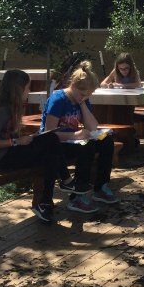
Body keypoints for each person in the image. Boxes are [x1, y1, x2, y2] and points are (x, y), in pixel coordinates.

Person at [0, 69, 64, 224]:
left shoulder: (12, 108)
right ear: (18, 89)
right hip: (4, 159)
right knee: (51, 141)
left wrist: (29, 138)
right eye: (28, 87)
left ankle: (46, 202)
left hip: (12, 153)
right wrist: (16, 142)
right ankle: (61, 184)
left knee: (49, 148)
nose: (29, 91)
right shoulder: (3, 111)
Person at [41, 60, 119, 214]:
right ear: (73, 86)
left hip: (74, 140)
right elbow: (48, 134)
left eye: (88, 95)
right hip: (57, 145)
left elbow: (93, 127)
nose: (84, 97)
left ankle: (101, 187)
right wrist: (74, 135)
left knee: (106, 141)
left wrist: (83, 104)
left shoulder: (81, 99)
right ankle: (77, 196)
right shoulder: (58, 100)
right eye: (83, 94)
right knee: (86, 147)